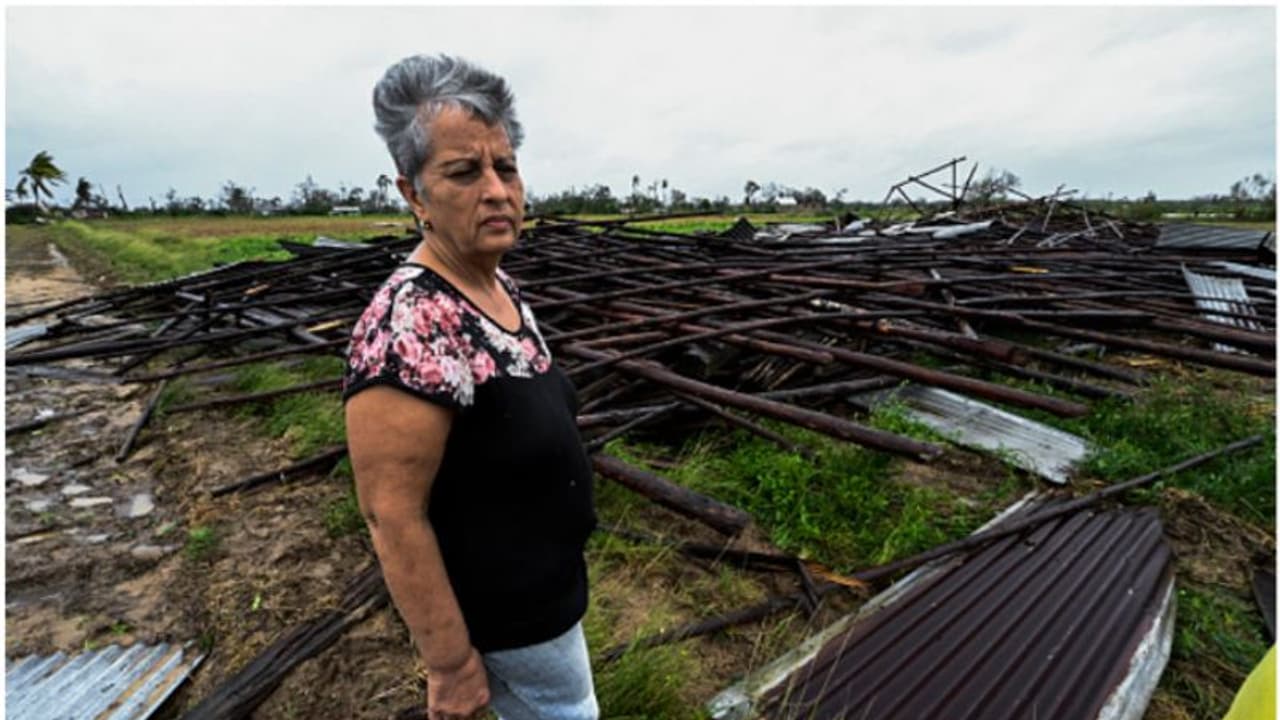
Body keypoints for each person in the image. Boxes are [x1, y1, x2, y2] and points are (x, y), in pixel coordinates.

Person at [343, 54, 599, 720]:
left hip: (548, 606)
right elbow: (392, 514)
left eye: (505, 168)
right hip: (504, 624)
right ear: (414, 194)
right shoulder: (410, 323)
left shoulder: (496, 285)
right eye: (464, 172)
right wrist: (452, 665)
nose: (496, 190)